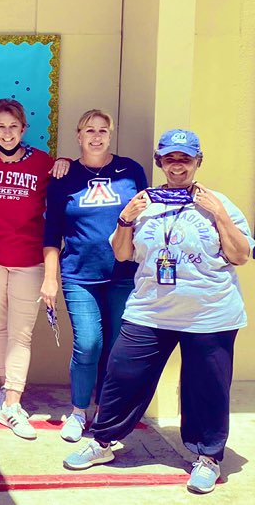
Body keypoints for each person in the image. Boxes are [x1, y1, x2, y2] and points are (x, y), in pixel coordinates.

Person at [63, 129, 253, 495]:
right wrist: (124, 220)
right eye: (170, 158)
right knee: (122, 377)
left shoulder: (219, 203)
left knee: (207, 390)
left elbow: (241, 255)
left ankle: (208, 458)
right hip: (150, 310)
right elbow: (121, 253)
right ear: (160, 162)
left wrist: (219, 217)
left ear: (198, 161)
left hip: (209, 315)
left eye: (185, 158)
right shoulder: (143, 203)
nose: (177, 165)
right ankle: (103, 442)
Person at [40, 110, 147, 442]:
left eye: (103, 130)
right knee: (88, 344)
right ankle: (78, 411)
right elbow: (51, 232)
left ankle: (106, 410)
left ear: (111, 134)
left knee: (116, 348)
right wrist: (50, 277)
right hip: (79, 275)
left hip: (123, 274)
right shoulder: (64, 175)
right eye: (90, 130)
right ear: (78, 135)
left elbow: (148, 221)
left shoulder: (131, 171)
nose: (96, 136)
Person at [0, 98, 53, 440]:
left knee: (21, 333)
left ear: (24, 129)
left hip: (28, 259)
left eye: (13, 126)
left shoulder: (43, 163)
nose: (7, 132)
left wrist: (62, 164)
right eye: (0, 126)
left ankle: (14, 403)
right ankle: (5, 390)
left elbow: (62, 192)